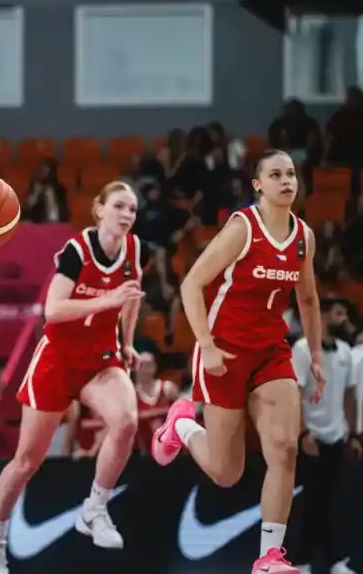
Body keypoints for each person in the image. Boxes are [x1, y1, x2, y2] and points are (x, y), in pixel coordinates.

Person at [152, 149, 324, 574]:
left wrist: (316, 354)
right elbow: (192, 285)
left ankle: (269, 556)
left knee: (284, 448)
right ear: (257, 185)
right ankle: (183, 424)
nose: (286, 180)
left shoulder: (304, 236)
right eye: (276, 174)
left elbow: (307, 298)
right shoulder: (241, 228)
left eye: (291, 174)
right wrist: (206, 345)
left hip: (270, 352)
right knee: (227, 473)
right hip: (224, 351)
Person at [0, 181, 147, 573]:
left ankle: (94, 509)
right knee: (26, 461)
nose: (127, 215)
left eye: (133, 210)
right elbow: (52, 310)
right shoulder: (77, 250)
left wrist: (128, 343)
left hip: (101, 358)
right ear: (99, 209)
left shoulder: (136, 250)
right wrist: (107, 300)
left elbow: (132, 297)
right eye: (119, 206)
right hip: (58, 358)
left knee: (125, 423)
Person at [290, 301, 360, 573]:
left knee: (331, 502)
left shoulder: (346, 352)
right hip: (312, 437)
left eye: (345, 313)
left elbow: (349, 396)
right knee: (312, 503)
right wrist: (302, 433)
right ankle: (302, 561)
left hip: (337, 437)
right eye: (338, 313)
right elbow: (294, 394)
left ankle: (332, 561)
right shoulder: (303, 349)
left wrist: (353, 434)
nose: (343, 318)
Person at [132, 351, 178, 455]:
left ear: (154, 367)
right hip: (145, 452)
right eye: (141, 366)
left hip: (171, 447)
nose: (144, 370)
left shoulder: (167, 388)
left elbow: (183, 413)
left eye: (148, 365)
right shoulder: (133, 395)